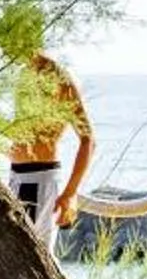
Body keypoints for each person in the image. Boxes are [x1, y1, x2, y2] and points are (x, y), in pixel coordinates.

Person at [8, 43, 95, 247]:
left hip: (38, 178)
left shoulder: (58, 77)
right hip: (17, 175)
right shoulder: (24, 75)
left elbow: (88, 140)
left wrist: (70, 193)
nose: (4, 49)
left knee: (31, 252)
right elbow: (26, 132)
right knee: (17, 251)